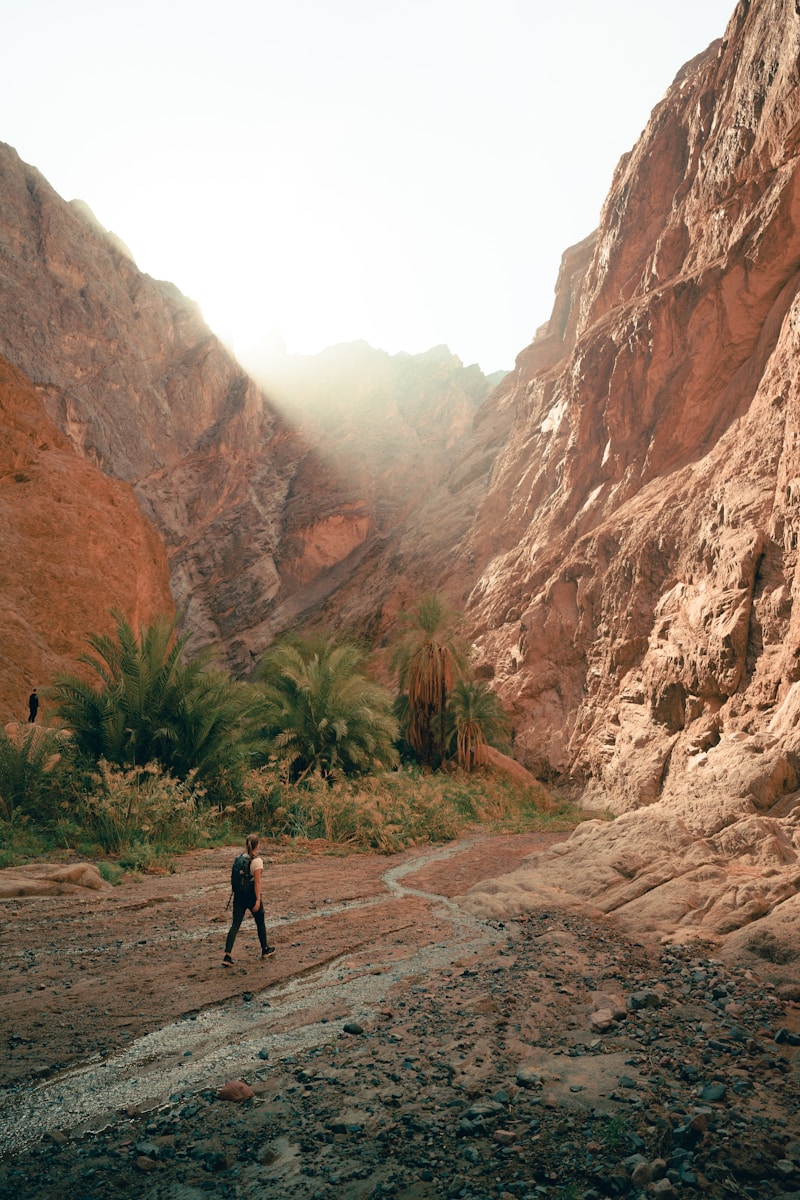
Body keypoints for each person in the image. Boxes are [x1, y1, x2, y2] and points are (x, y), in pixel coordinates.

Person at [222, 833, 275, 967]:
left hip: (238, 895)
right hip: (251, 894)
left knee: (235, 925)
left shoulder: (240, 859)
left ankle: (227, 955)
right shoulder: (257, 861)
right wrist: (257, 900)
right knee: (260, 921)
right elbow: (257, 882)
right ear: (258, 845)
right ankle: (265, 949)